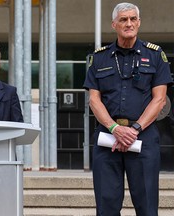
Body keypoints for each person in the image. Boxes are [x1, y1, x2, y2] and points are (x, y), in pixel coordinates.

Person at [83, 2, 173, 216]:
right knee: (106, 206)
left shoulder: (155, 55)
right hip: (107, 137)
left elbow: (159, 100)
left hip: (143, 136)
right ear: (114, 24)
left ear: (139, 22)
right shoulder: (99, 57)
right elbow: (94, 100)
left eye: (133, 19)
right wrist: (115, 128)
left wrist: (134, 129)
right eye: (123, 19)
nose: (129, 23)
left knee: (147, 206)